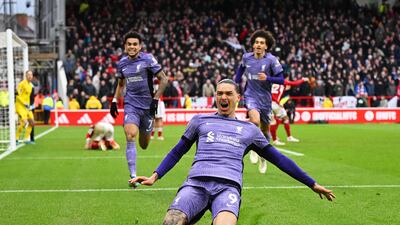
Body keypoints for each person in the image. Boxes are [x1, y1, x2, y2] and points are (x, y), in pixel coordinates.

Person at [130, 79, 335, 225]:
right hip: (196, 184)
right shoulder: (200, 121)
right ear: (215, 97)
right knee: (171, 221)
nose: (223, 97)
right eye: (220, 93)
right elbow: (177, 151)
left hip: (227, 188)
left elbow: (279, 159)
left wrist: (312, 183)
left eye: (228, 93)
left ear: (238, 97)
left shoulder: (250, 130)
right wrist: (155, 176)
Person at [110, 31, 168, 187]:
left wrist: (156, 99)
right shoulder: (122, 63)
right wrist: (115, 100)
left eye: (135, 44)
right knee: (130, 135)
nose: (132, 47)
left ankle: (146, 133)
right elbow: (121, 84)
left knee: (144, 144)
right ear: (125, 46)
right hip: (131, 105)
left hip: (148, 107)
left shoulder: (148, 60)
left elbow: (164, 79)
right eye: (129, 44)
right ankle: (133, 177)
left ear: (140, 46)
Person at [235, 29, 284, 174]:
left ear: (266, 46)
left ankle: (263, 158)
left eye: (261, 43)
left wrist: (268, 78)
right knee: (254, 121)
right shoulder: (246, 58)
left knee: (265, 130)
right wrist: (234, 86)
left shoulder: (272, 60)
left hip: (265, 99)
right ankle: (253, 150)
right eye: (256, 42)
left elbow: (281, 80)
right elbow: (239, 74)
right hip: (250, 95)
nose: (258, 45)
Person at [270, 77, 309, 145]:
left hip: (267, 103)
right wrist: (303, 80)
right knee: (285, 118)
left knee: (275, 120)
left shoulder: (271, 82)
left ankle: (274, 137)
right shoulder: (281, 81)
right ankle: (287, 137)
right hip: (275, 104)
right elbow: (294, 83)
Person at [15, 70, 35, 144]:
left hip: (27, 107)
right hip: (20, 106)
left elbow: (28, 97)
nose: (30, 76)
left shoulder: (30, 86)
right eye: (28, 75)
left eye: (31, 75)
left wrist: (29, 105)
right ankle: (16, 138)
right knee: (23, 123)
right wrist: (24, 103)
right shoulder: (21, 84)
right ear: (25, 76)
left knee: (32, 122)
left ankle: (26, 139)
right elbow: (17, 96)